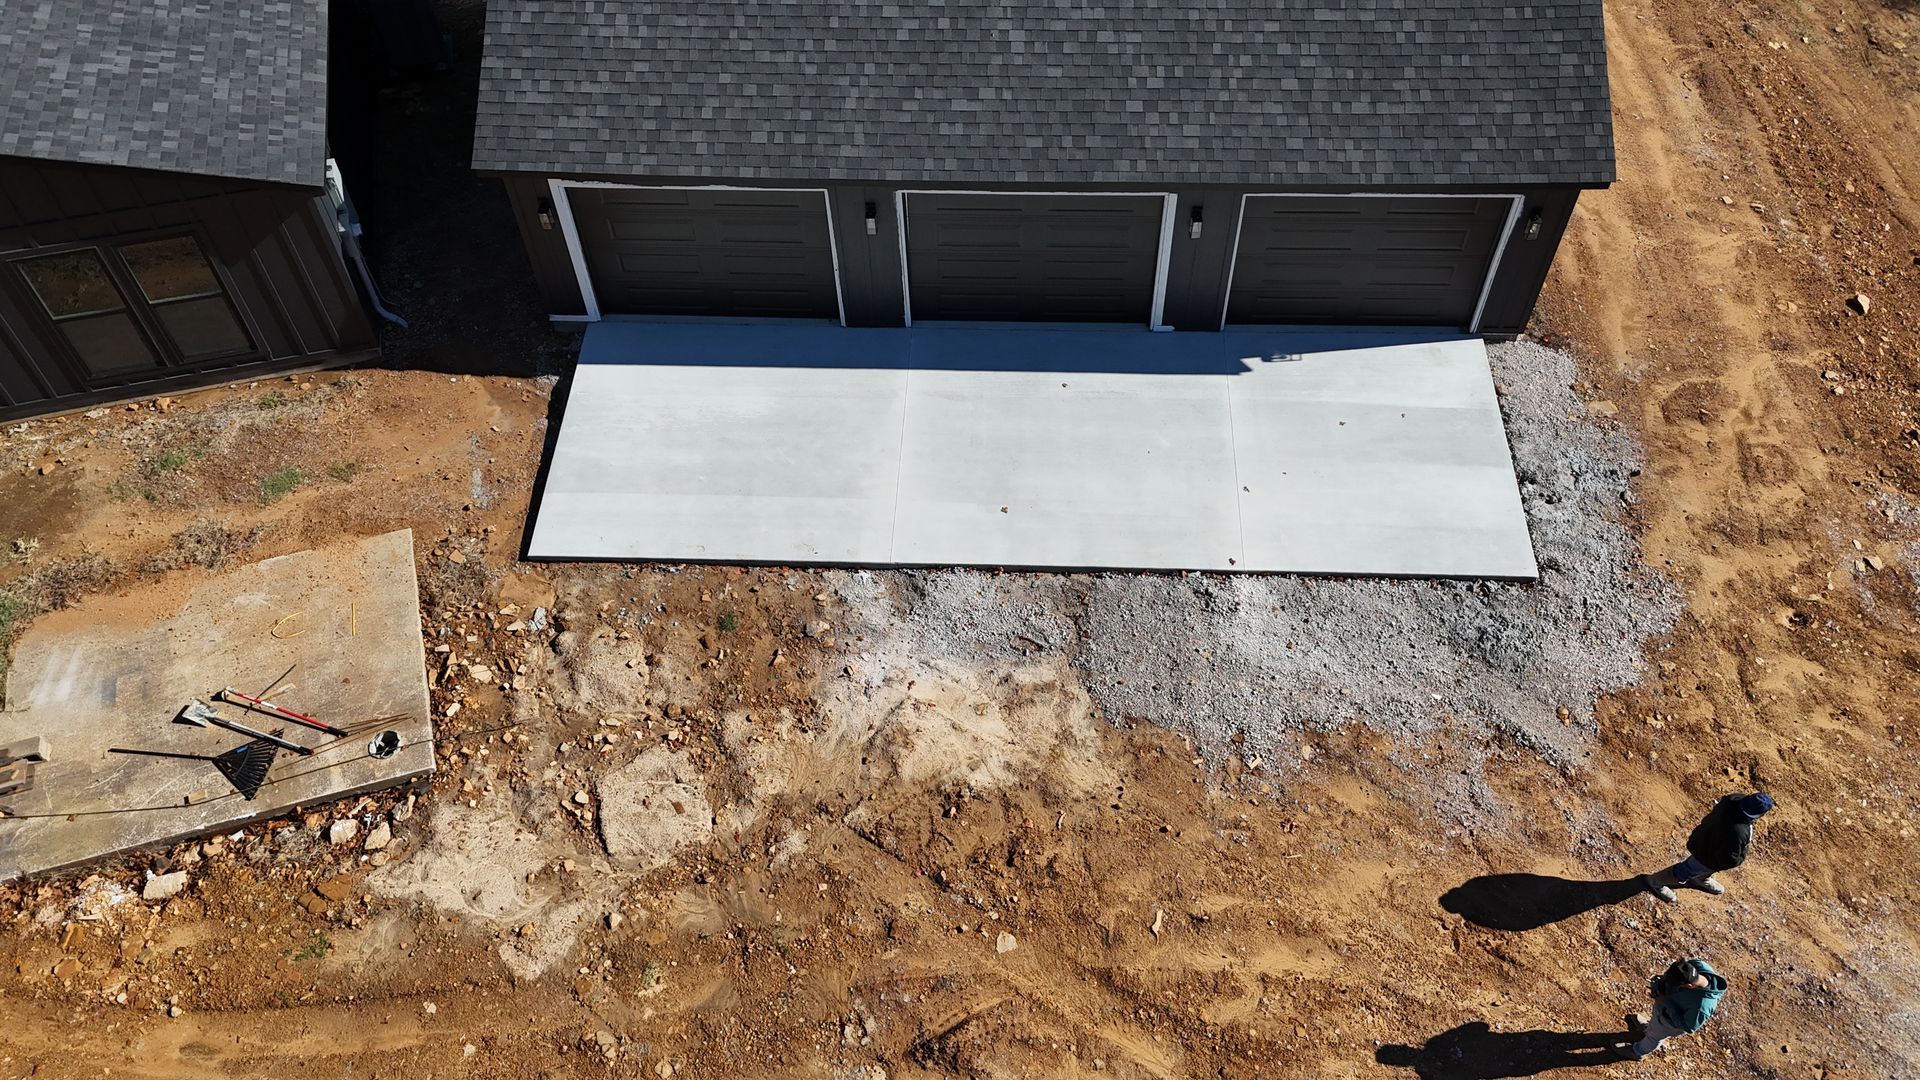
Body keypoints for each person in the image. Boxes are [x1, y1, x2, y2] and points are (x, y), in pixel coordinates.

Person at [1642, 792, 1774, 902]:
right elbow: (1728, 858)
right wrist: (1739, 859)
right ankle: (1655, 882)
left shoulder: (1733, 799)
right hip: (1706, 856)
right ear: (1759, 815)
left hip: (1702, 837)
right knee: (1686, 870)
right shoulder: (1739, 832)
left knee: (1700, 868)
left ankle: (1700, 878)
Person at [1617, 958, 1727, 1059]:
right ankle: (1649, 1028)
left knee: (1655, 1037)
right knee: (1655, 1026)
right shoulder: (1697, 965)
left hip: (1669, 1023)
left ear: (1689, 986)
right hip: (1661, 1011)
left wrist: (1666, 1003)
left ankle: (1638, 1052)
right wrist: (1662, 980)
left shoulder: (1703, 1006)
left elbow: (1688, 1027)